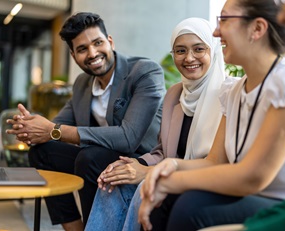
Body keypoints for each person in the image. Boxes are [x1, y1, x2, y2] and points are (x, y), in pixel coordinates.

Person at [138, 0, 285, 230]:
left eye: (224, 20)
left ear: (257, 28)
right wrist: (169, 166)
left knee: (190, 206)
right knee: (169, 199)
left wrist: (171, 182)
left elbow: (252, 177)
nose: (216, 32)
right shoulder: (233, 90)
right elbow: (214, 161)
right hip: (250, 196)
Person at [6, 12, 166, 230]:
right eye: (82, 49)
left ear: (110, 41)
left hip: (139, 159)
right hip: (97, 158)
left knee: (89, 158)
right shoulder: (82, 83)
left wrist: (53, 130)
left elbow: (128, 138)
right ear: (73, 55)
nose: (92, 53)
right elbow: (57, 126)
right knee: (43, 152)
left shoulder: (144, 72)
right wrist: (31, 129)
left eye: (97, 43)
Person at [84, 17, 225, 231]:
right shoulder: (175, 94)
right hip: (167, 172)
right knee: (114, 182)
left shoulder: (228, 95)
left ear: (213, 51)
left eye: (198, 49)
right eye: (180, 51)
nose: (189, 58)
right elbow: (161, 151)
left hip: (202, 181)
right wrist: (137, 164)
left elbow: (217, 163)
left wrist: (149, 174)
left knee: (146, 186)